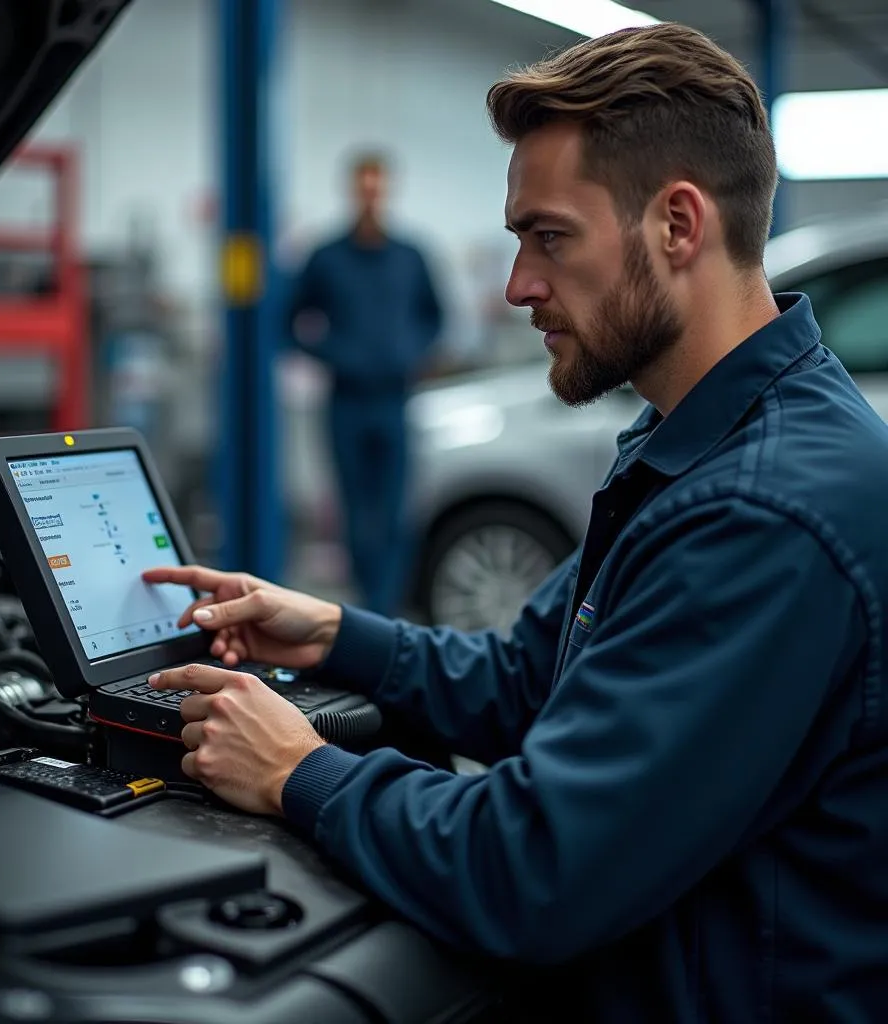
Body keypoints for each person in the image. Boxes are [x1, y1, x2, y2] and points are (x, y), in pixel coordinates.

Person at [144, 23, 888, 1021]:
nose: (517, 287)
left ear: (677, 225)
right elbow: (533, 680)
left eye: (549, 237)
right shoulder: (696, 441)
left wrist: (297, 770)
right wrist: (330, 632)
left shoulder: (761, 511)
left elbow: (534, 869)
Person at [286, 152, 443, 616]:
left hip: (395, 400)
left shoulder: (410, 257)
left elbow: (435, 318)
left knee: (395, 513)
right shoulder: (327, 257)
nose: (371, 194)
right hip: (345, 402)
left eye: (379, 185)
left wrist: (413, 353)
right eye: (364, 185)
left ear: (387, 189)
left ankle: (385, 608)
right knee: (355, 515)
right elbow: (290, 321)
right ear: (353, 189)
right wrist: (336, 355)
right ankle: (367, 606)